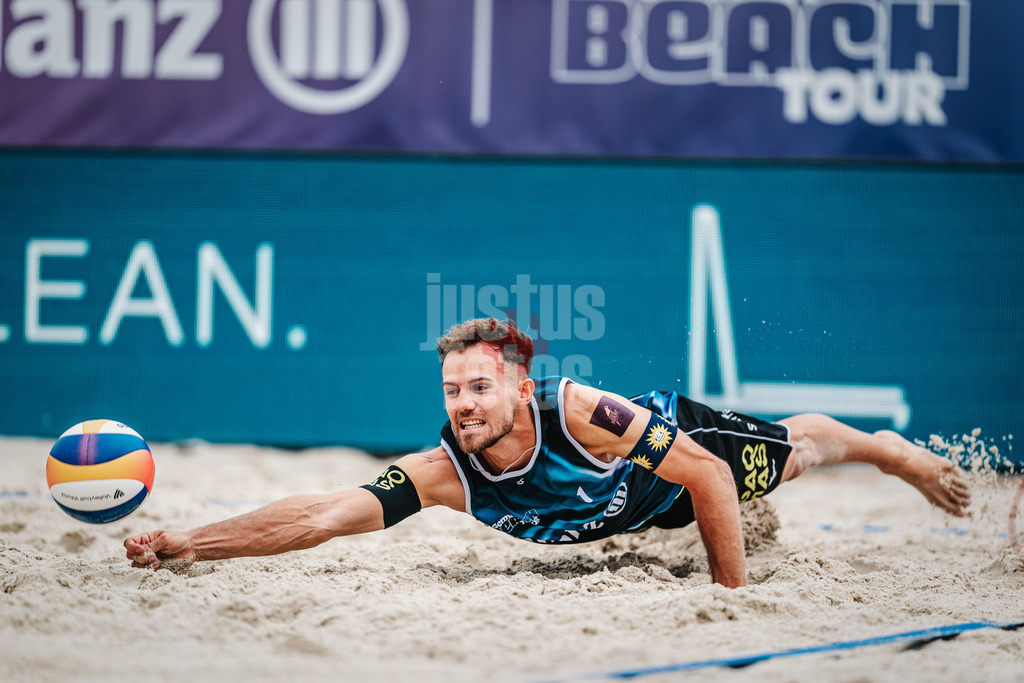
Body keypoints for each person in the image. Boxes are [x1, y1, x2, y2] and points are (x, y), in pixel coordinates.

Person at [124, 318, 971, 588]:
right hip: (629, 513)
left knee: (798, 452)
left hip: (677, 461)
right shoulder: (443, 473)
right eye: (452, 391)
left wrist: (732, 600)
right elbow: (318, 515)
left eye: (479, 388)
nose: (463, 404)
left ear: (520, 388)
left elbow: (708, 474)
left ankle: (889, 452)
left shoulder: (578, 410)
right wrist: (191, 542)